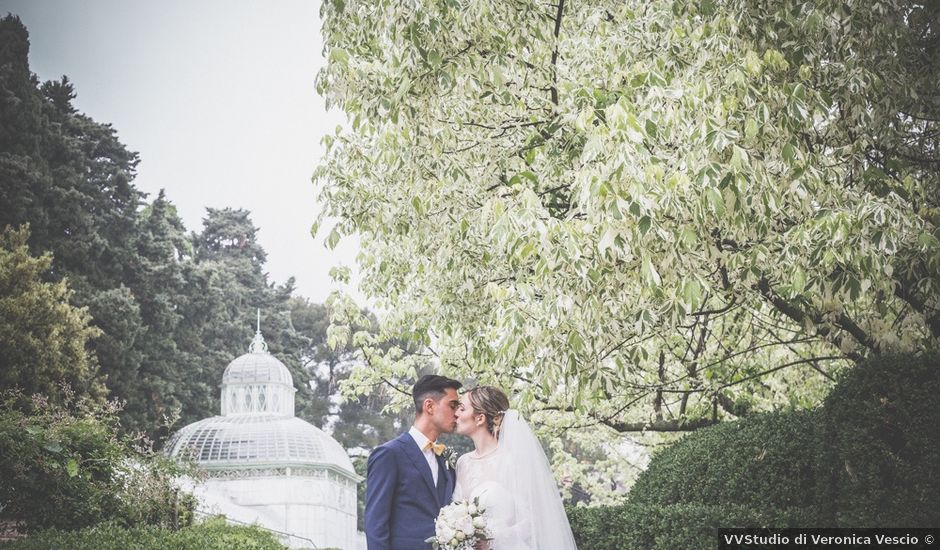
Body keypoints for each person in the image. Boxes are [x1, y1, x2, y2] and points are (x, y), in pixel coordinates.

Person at [453, 386, 578, 550]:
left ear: (480, 419)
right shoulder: (463, 462)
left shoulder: (511, 460)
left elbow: (533, 520)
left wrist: (492, 540)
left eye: (462, 408)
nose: (456, 413)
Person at [364, 374, 463, 550]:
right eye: (452, 405)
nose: (457, 413)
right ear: (429, 406)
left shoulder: (445, 462)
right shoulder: (389, 455)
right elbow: (375, 526)